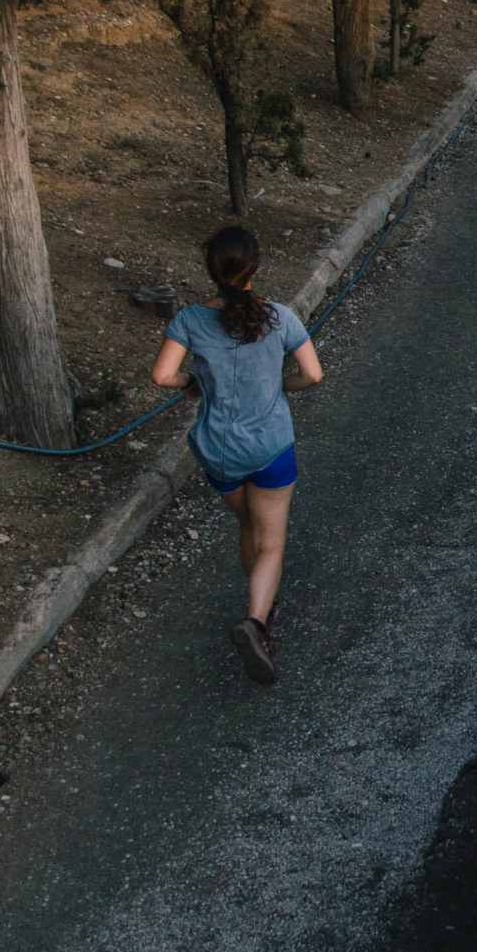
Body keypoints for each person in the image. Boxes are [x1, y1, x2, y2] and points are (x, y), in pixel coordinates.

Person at [150, 225, 323, 685]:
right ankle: (257, 623)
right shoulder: (280, 317)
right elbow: (313, 375)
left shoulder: (189, 320)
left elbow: (162, 375)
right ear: (254, 266)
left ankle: (261, 605)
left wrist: (192, 384)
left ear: (211, 268)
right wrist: (279, 386)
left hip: (218, 452)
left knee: (248, 524)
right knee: (272, 542)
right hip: (270, 448)